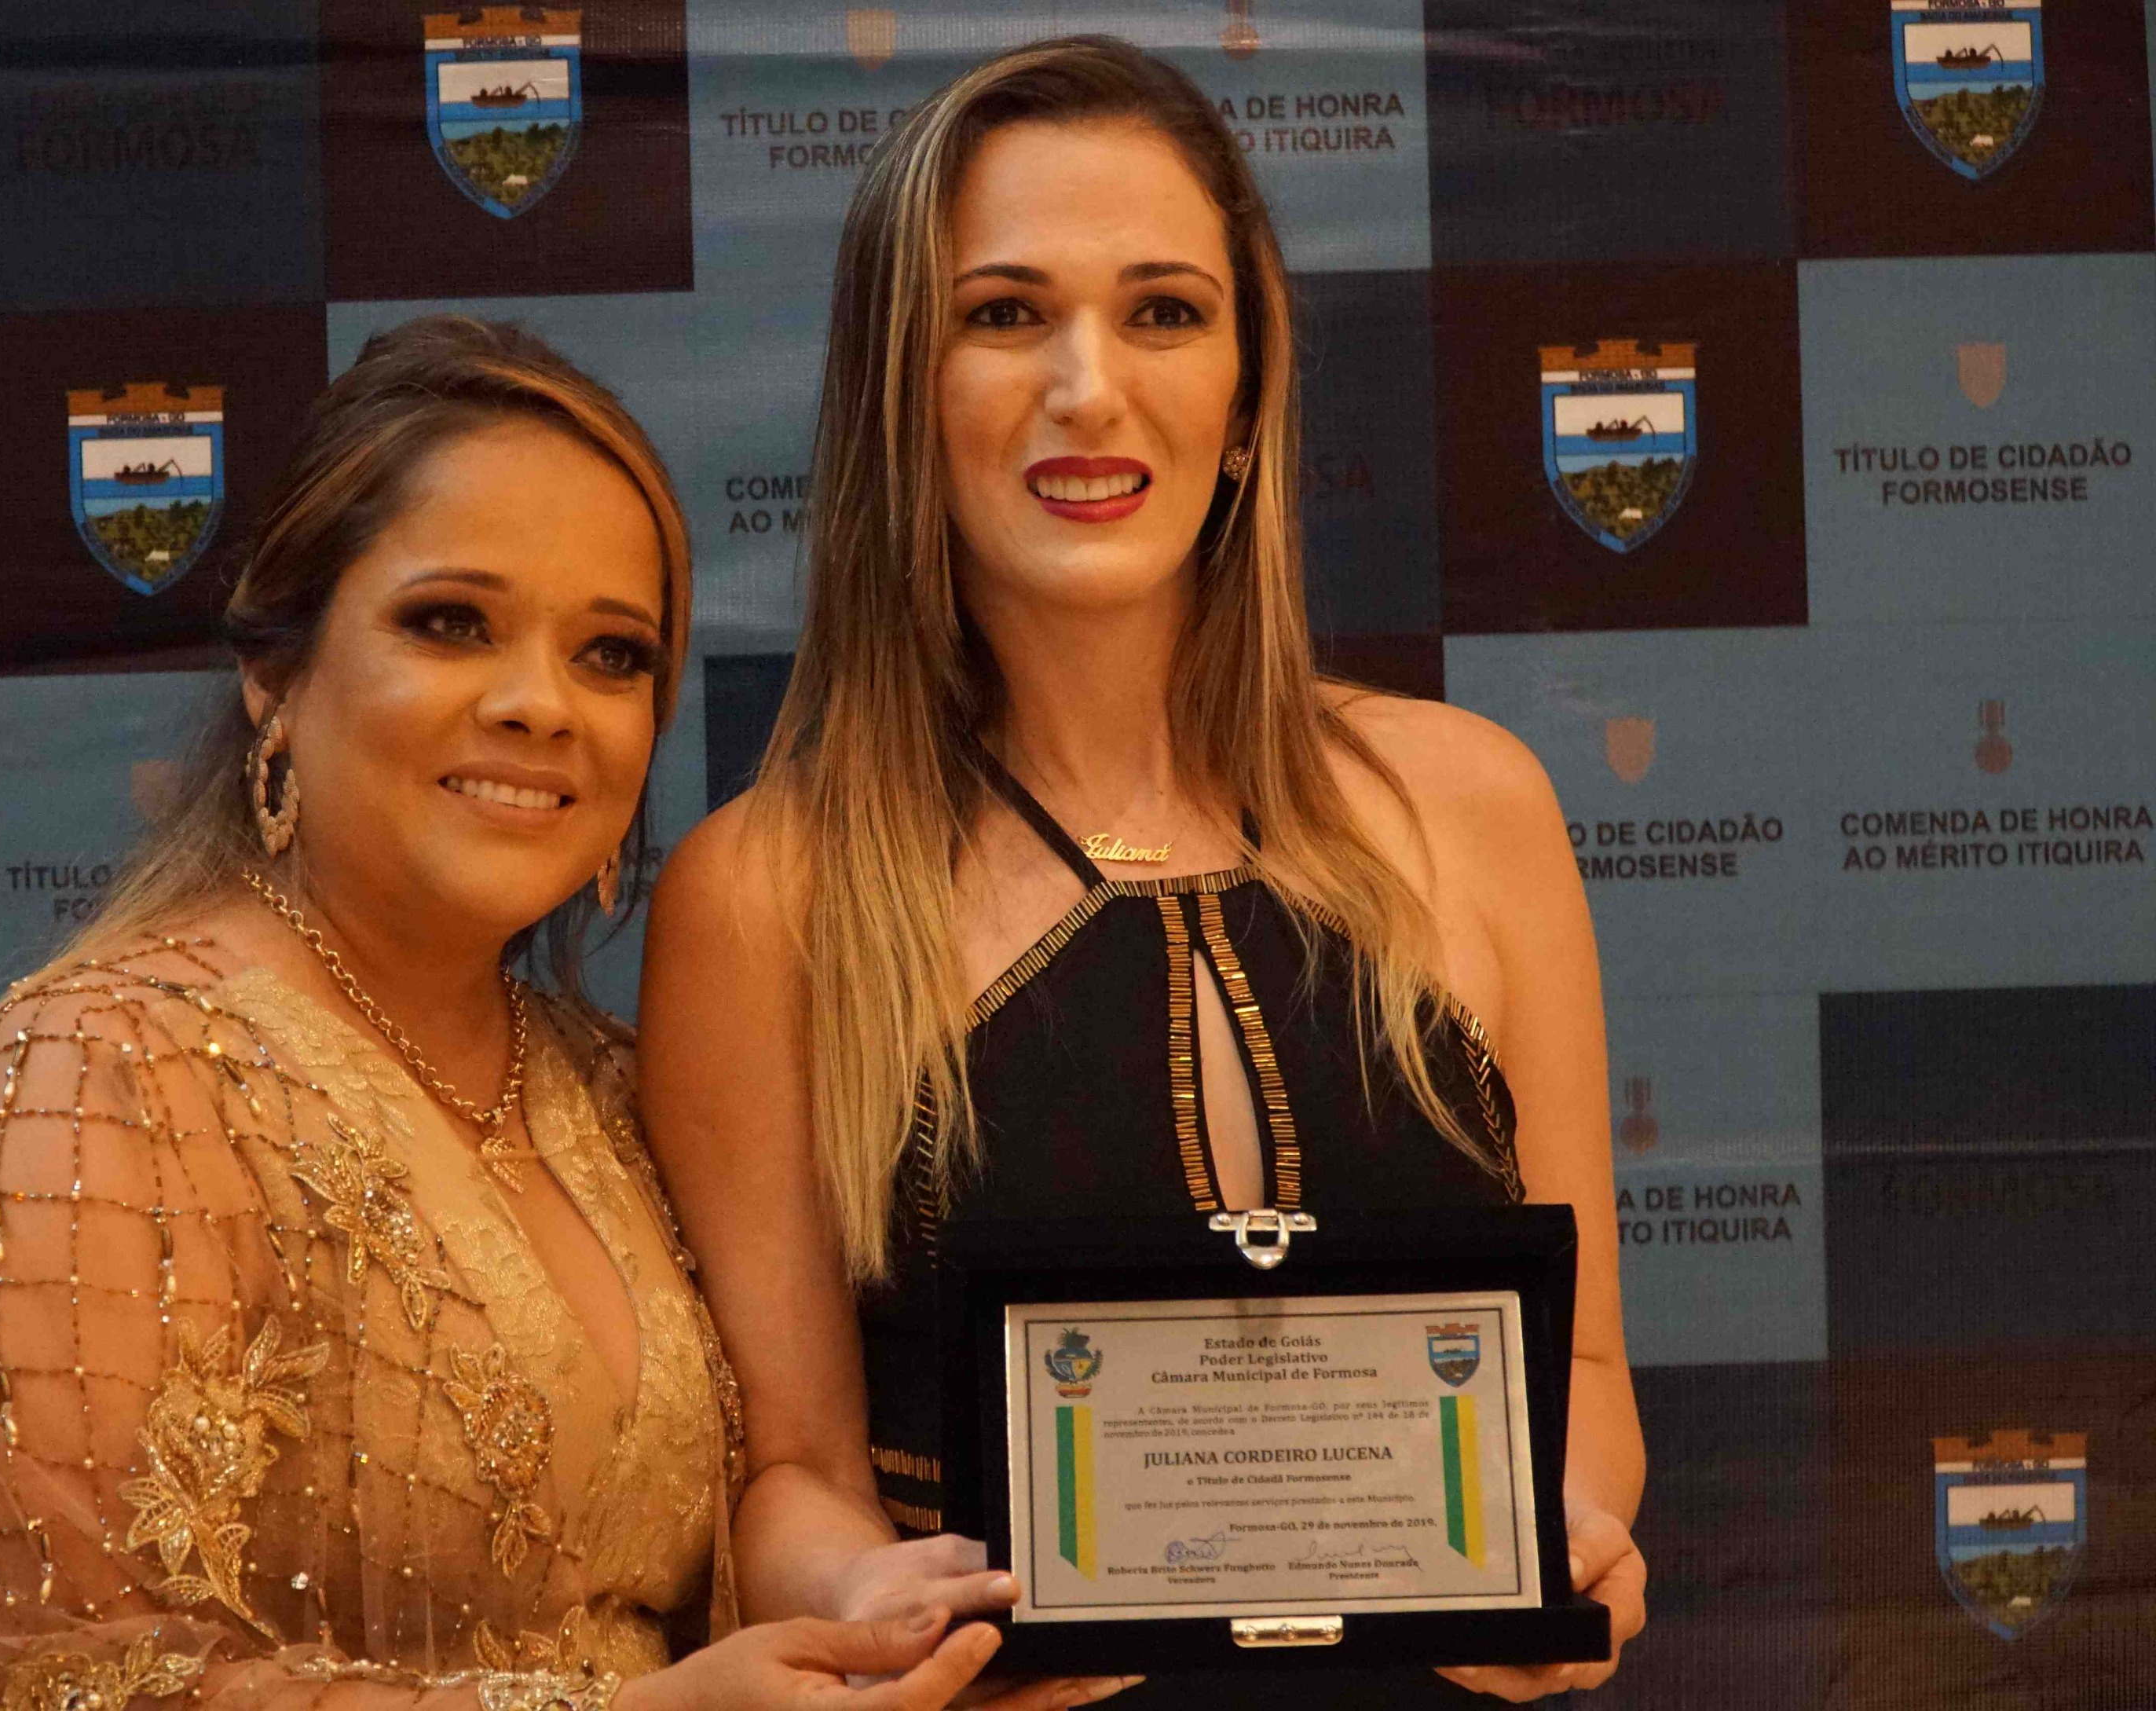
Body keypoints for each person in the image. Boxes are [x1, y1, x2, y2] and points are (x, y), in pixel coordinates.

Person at [639, 38, 1648, 1708]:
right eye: (1003, 313)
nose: (1088, 387)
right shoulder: (767, 891)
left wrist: (1570, 1536)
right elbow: (791, 1471)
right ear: (901, 392)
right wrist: (881, 1597)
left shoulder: (1477, 805)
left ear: (1246, 398)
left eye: (1164, 311)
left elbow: (1585, 1365)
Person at [0, 316, 1005, 1711]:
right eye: (452, 622)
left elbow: (778, 1498)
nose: (542, 706)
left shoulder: (609, 1090)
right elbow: (55, 1684)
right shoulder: (91, 1078)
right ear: (276, 672)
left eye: (612, 654)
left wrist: (885, 1613)